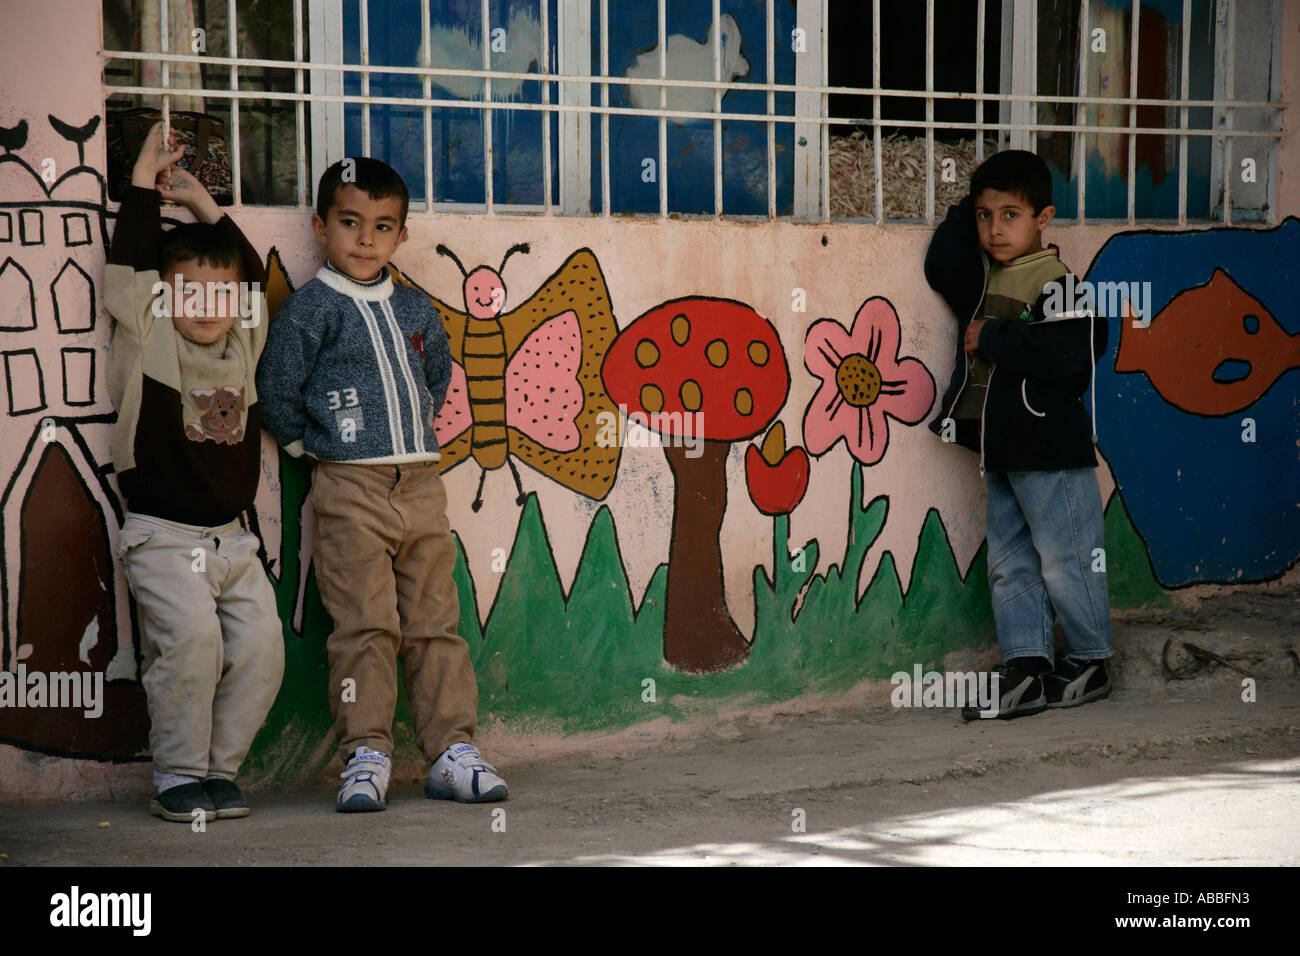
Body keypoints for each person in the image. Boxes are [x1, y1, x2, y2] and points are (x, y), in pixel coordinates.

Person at [256, 157, 507, 810]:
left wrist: (411, 434)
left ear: (400, 235)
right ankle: (365, 754)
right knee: (365, 627)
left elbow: (439, 374)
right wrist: (311, 448)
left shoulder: (415, 305)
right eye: (350, 223)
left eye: (382, 226)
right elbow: (277, 387)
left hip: (422, 485)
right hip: (348, 491)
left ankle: (451, 751)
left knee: (435, 624)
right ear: (320, 227)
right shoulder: (311, 310)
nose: (365, 239)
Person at [105, 122, 284, 821]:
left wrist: (207, 211)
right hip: (162, 536)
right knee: (194, 644)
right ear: (165, 299)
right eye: (189, 293)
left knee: (264, 650)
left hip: (233, 543)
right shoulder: (148, 342)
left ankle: (218, 772)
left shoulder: (241, 345)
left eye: (220, 295)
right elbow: (129, 274)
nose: (206, 308)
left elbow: (258, 283)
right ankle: (179, 776)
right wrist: (145, 187)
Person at [924, 149, 1113, 720]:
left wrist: (1000, 337)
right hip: (1000, 449)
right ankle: (1026, 664)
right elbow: (941, 266)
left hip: (1050, 449)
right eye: (986, 215)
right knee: (1010, 560)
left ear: (1043, 218)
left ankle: (1090, 659)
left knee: (1068, 557)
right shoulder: (983, 278)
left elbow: (1079, 349)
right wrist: (967, 204)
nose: (995, 228)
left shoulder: (1054, 280)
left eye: (1011, 215)